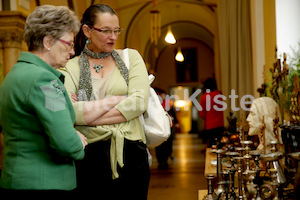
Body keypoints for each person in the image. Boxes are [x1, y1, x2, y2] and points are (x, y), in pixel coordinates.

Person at [58, 4, 150, 199]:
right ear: (87, 30)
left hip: (131, 155)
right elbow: (67, 111)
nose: (113, 37)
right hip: (89, 158)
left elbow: (139, 103)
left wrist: (87, 117)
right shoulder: (70, 66)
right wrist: (116, 100)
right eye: (106, 31)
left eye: (116, 30)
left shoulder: (131, 58)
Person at [0, 5, 87, 195]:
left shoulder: (13, 74)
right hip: (46, 183)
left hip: (15, 179)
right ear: (48, 41)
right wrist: (79, 142)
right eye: (69, 44)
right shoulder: (45, 80)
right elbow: (65, 142)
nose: (72, 51)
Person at [154, 88, 178, 169]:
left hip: (168, 125)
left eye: (162, 95)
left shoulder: (169, 103)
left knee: (168, 143)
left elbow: (173, 114)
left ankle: (166, 159)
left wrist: (176, 123)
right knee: (159, 144)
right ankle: (161, 160)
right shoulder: (155, 103)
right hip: (158, 126)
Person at [199, 77, 224, 147]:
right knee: (220, 144)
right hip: (220, 124)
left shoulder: (204, 97)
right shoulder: (220, 95)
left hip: (210, 125)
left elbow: (202, 114)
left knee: (211, 145)